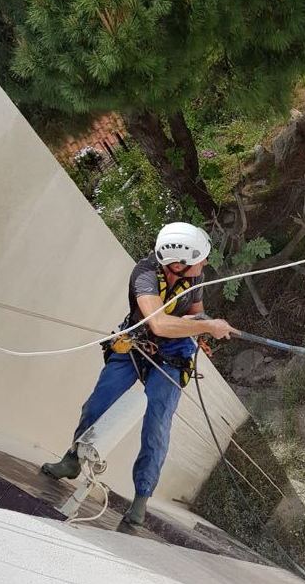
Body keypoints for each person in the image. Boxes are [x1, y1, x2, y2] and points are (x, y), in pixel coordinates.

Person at [42, 222, 233, 526]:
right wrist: (207, 327)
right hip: (136, 343)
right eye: (201, 259)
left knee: (157, 423)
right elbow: (158, 324)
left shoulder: (194, 274)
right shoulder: (144, 275)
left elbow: (193, 311)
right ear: (179, 262)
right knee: (99, 402)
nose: (205, 263)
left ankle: (142, 496)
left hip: (174, 356)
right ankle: (72, 460)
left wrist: (204, 328)